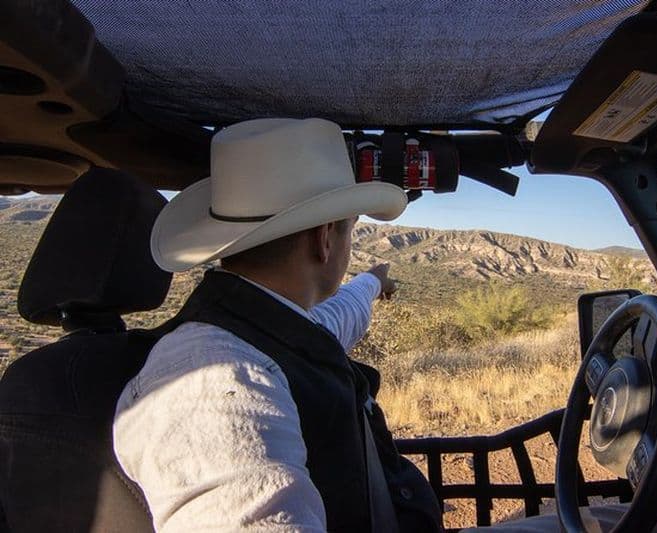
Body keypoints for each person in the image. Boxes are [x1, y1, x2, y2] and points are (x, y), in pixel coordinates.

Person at [114, 118, 443, 532]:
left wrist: (372, 283)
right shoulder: (217, 379)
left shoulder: (263, 329)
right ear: (325, 239)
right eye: (350, 232)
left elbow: (330, 322)